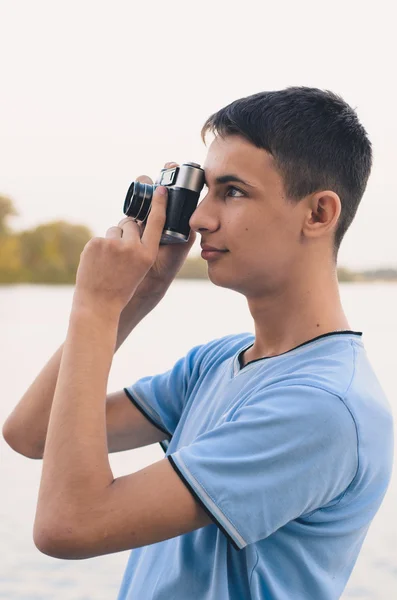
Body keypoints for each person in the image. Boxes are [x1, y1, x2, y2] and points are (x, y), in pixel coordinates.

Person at [2, 87, 394, 600]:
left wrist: (95, 308)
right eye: (203, 191)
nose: (198, 219)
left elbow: (68, 525)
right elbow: (31, 434)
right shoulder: (219, 362)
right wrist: (136, 299)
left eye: (232, 192)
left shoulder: (322, 406)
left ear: (318, 213)